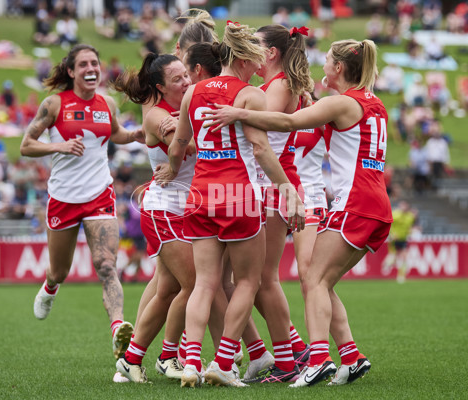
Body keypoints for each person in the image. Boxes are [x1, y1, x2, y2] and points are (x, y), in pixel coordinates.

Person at [202, 38, 391, 388]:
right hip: (375, 204)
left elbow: (287, 124)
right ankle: (350, 356)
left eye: (328, 62)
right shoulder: (373, 103)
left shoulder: (341, 103)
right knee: (322, 280)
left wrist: (239, 112)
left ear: (339, 68)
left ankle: (317, 359)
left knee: (314, 279)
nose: (322, 67)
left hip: (356, 203)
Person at [155, 21, 305, 388]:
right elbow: (260, 149)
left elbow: (178, 144)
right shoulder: (249, 95)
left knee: (204, 283)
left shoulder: (194, 91)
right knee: (248, 282)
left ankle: (190, 362)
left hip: (201, 194)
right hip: (238, 195)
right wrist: (287, 188)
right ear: (246, 57)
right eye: (256, 58)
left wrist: (172, 171)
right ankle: (223, 362)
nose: (260, 66)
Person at [20, 44, 143, 373]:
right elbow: (26, 144)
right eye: (84, 64)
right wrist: (59, 144)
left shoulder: (108, 103)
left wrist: (136, 135)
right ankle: (50, 286)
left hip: (100, 195)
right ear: (72, 72)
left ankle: (118, 328)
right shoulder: (54, 104)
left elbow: (114, 134)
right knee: (60, 270)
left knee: (106, 264)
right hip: (63, 198)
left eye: (95, 63)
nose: (92, 68)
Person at [112, 53, 195, 383]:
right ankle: (169, 356)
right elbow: (187, 148)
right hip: (165, 210)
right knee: (193, 284)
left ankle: (131, 360)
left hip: (184, 209)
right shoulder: (157, 115)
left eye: (187, 74)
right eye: (178, 79)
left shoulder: (185, 109)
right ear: (160, 88)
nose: (187, 81)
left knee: (168, 289)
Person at [242, 23, 313, 384]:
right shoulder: (272, 84)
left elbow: (259, 125)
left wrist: (229, 109)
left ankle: (289, 361)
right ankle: (295, 350)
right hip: (268, 185)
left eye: (255, 45)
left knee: (262, 279)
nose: (249, 51)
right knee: (249, 280)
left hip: (275, 185)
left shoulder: (280, 84)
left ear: (270, 53)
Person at [382, 200, 418, 283]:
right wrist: (392, 234)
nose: (403, 207)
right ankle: (386, 264)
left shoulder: (410, 216)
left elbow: (411, 225)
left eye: (405, 206)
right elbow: (388, 224)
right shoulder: (395, 214)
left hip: (404, 239)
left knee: (404, 257)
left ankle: (401, 276)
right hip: (394, 239)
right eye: (402, 206)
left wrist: (411, 230)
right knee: (393, 257)